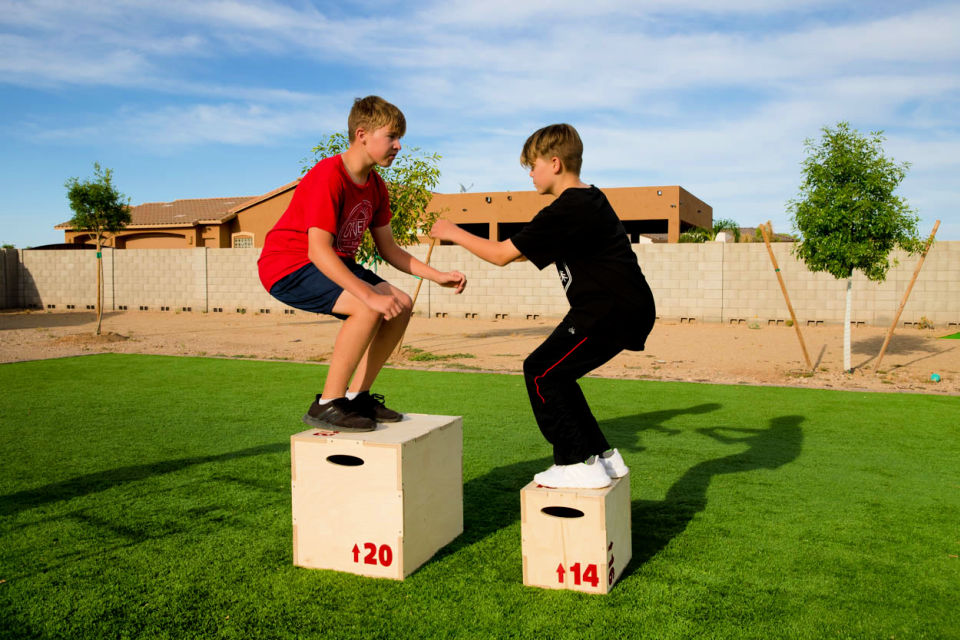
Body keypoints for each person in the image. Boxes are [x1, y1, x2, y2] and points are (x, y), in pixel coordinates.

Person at [430, 124, 655, 489]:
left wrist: (453, 232)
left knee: (540, 371)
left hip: (607, 311)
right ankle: (603, 457)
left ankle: (574, 462)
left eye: (531, 166)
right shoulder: (589, 199)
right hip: (624, 307)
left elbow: (502, 254)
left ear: (554, 163)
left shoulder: (568, 209)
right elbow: (519, 254)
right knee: (558, 374)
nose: (530, 175)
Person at [258, 96, 466, 432]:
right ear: (362, 134)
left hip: (331, 261)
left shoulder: (376, 186)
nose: (399, 146)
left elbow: (390, 249)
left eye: (401, 138)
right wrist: (368, 297)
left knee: (402, 303)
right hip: (288, 266)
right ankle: (327, 403)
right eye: (392, 137)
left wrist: (436, 276)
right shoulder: (329, 175)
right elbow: (318, 251)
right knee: (369, 307)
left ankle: (358, 395)